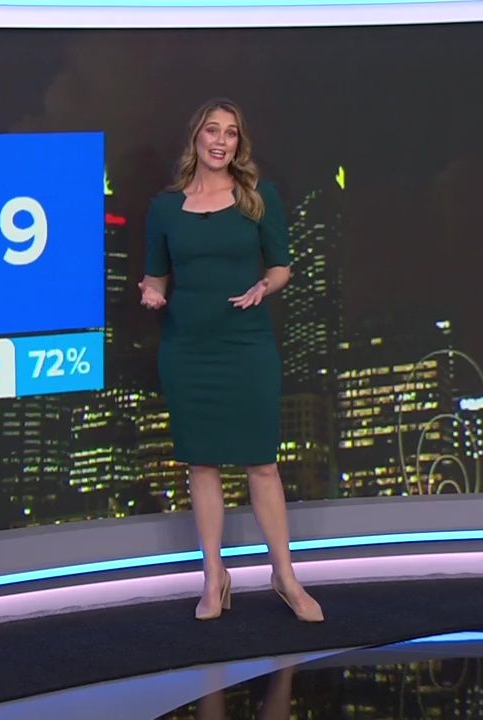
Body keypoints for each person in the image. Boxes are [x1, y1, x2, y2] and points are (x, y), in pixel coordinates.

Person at [138, 98, 324, 623]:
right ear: (196, 136)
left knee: (262, 462)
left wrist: (265, 285)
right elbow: (155, 276)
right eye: (212, 130)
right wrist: (152, 293)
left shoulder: (258, 198)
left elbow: (282, 265)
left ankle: (284, 576)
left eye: (232, 133)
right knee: (202, 462)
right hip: (188, 348)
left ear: (239, 143)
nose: (221, 141)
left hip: (246, 342)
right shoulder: (165, 208)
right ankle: (214, 577)